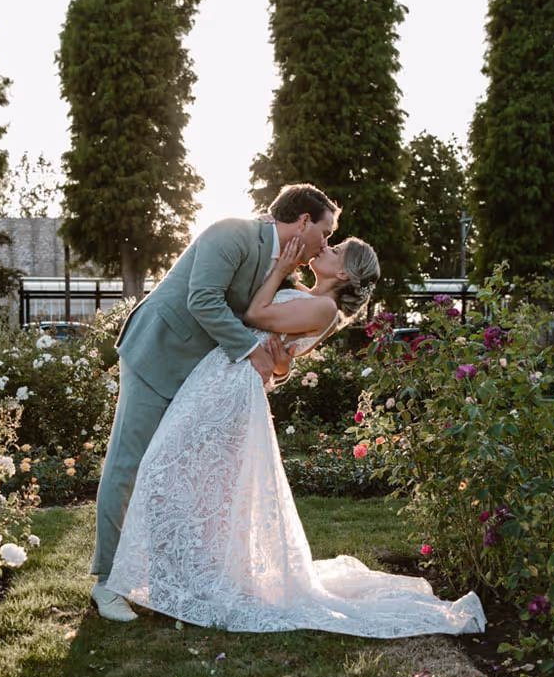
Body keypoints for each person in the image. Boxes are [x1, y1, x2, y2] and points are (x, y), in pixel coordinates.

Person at [106, 237, 486, 638]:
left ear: (342, 273)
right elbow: (280, 352)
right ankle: (184, 577)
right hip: (223, 378)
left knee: (171, 474)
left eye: (336, 251)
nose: (327, 248)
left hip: (231, 385)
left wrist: (281, 269)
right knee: (191, 482)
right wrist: (283, 363)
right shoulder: (315, 300)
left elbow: (255, 313)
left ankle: (185, 581)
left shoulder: (323, 306)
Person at [91, 183, 340, 621]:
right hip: (158, 354)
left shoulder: (285, 275)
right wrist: (252, 350)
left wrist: (279, 367)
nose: (326, 243)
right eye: (326, 231)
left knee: (181, 479)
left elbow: (274, 343)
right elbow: (202, 299)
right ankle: (107, 583)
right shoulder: (231, 233)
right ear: (303, 222)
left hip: (202, 381)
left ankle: (165, 577)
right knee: (129, 466)